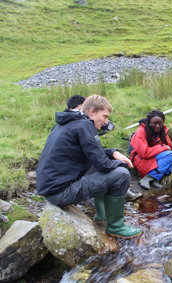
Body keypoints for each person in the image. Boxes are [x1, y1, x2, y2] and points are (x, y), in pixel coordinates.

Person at [36, 94, 142, 239]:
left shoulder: (69, 122)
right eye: (104, 116)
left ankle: (102, 215)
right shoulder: (84, 125)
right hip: (61, 193)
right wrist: (123, 164)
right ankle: (116, 226)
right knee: (121, 174)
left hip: (50, 189)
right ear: (91, 112)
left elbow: (92, 153)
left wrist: (113, 152)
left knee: (102, 169)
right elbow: (103, 164)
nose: (106, 122)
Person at [130, 110, 172, 190]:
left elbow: (170, 148)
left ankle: (155, 179)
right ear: (149, 123)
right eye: (155, 123)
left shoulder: (163, 130)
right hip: (141, 159)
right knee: (171, 155)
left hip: (155, 157)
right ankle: (146, 178)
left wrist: (164, 148)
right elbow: (144, 153)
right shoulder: (141, 132)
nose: (158, 126)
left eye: (160, 123)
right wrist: (163, 147)